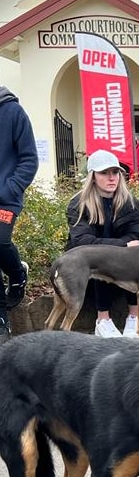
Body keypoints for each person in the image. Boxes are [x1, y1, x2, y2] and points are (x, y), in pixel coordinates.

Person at [66, 149, 139, 338]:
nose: (112, 178)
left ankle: (134, 317)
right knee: (101, 257)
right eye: (104, 173)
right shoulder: (78, 204)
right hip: (85, 264)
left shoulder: (130, 202)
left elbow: (137, 236)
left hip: (121, 265)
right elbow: (82, 242)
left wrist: (124, 248)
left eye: (115, 172)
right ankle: (103, 320)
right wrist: (122, 247)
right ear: (93, 177)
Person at [0, 86, 38, 343]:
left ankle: (16, 273)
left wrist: (9, 189)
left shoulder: (13, 111)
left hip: (4, 200)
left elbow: (29, 159)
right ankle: (1, 317)